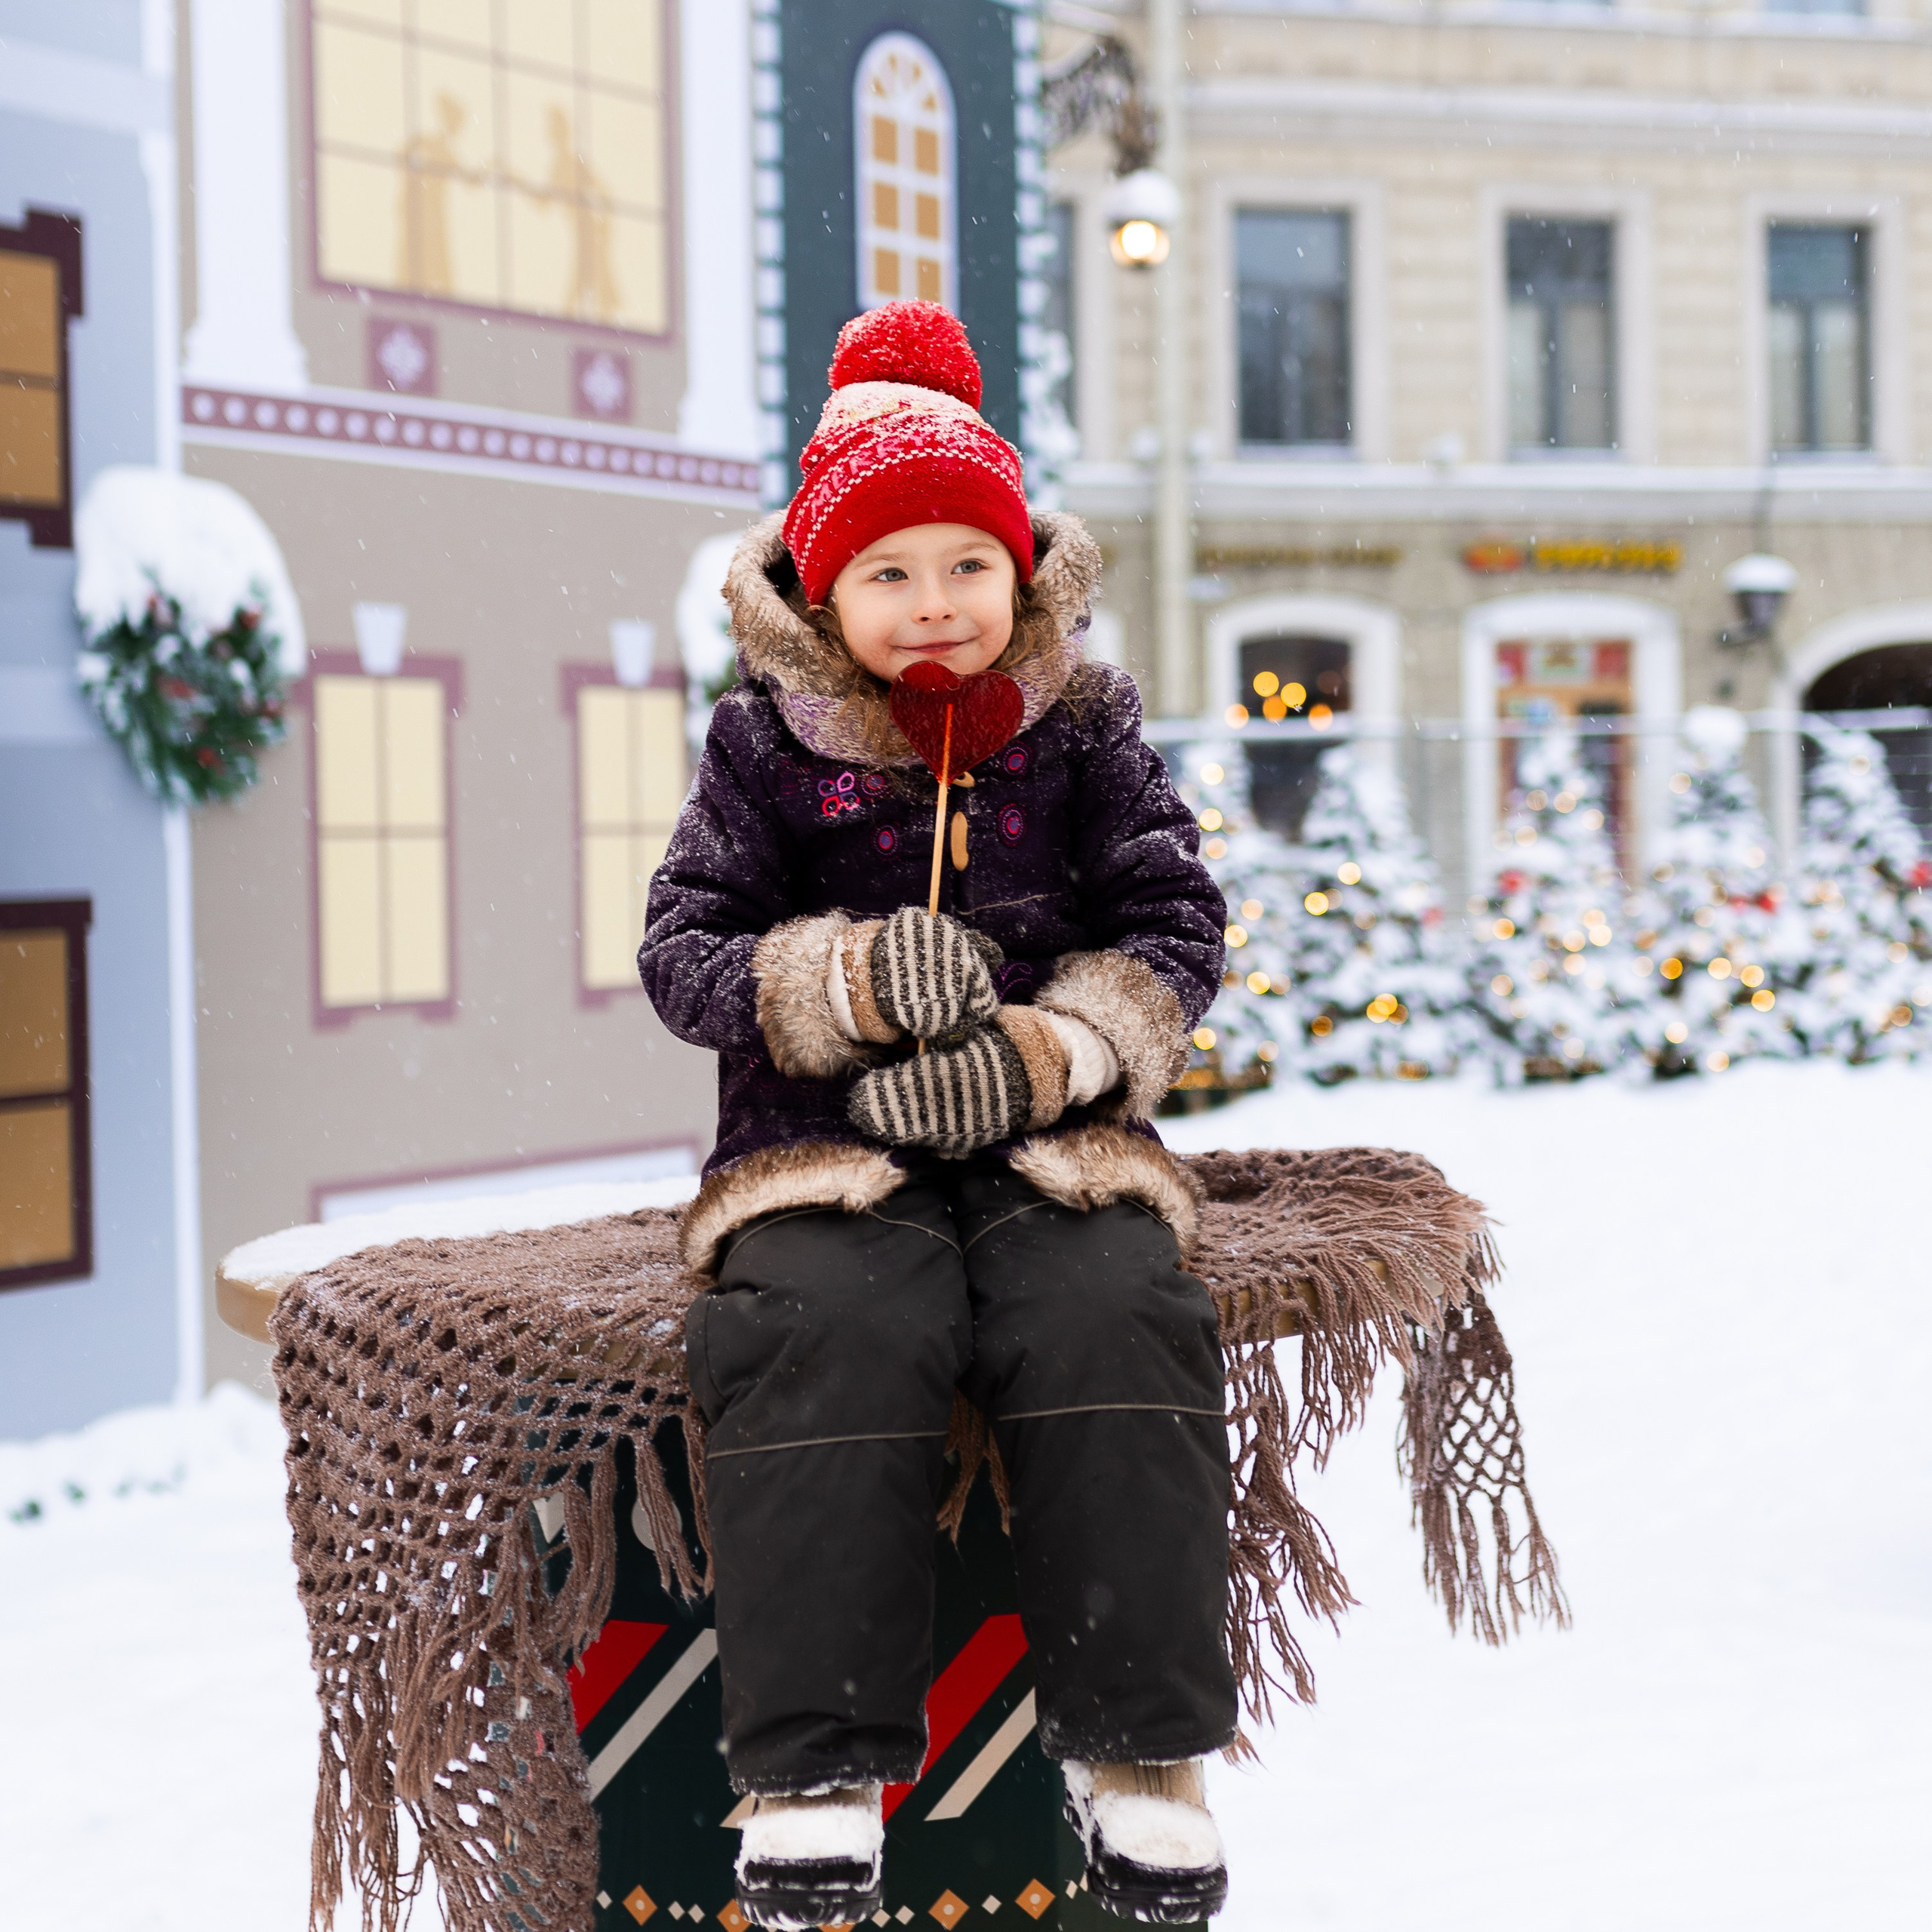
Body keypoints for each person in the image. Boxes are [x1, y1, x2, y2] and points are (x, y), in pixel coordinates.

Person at [639, 301, 1235, 1929]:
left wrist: (1050, 1053)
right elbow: (680, 949)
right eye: (886, 574)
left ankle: (1142, 1753)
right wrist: (835, 982)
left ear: (1020, 568)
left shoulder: (1087, 727)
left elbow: (1177, 930)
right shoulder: (762, 743)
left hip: (1052, 1143)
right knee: (821, 1329)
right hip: (822, 1156)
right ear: (822, 591)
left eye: (963, 566)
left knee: (1114, 1305)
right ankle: (814, 1766)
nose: (931, 607)